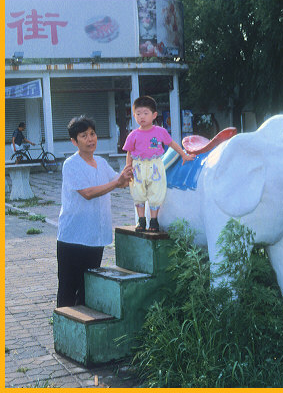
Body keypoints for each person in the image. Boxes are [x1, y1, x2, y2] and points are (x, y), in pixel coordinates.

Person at [56, 116, 133, 307]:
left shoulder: (101, 162)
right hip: (73, 237)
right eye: (84, 136)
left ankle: (82, 332)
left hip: (95, 236)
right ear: (74, 141)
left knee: (87, 288)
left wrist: (130, 170)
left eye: (92, 134)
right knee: (67, 289)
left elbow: (121, 183)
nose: (91, 139)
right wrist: (117, 182)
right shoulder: (71, 164)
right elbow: (88, 193)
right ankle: (64, 332)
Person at [123, 96, 195, 232]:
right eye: (138, 114)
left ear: (154, 115)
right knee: (138, 192)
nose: (142, 117)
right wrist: (128, 168)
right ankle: (141, 221)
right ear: (134, 115)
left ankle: (154, 221)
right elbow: (129, 152)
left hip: (155, 166)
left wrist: (184, 155)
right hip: (138, 167)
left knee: (155, 191)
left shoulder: (160, 132)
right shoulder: (133, 135)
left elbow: (172, 144)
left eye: (145, 113)